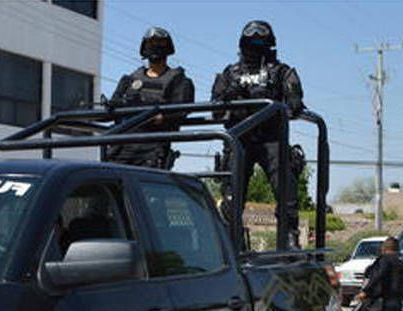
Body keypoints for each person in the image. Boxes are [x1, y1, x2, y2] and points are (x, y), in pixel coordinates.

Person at [211, 20, 305, 247]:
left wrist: (290, 99)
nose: (254, 46)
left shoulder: (282, 71)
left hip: (272, 138)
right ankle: (232, 242)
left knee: (286, 191)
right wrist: (228, 96)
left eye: (259, 41)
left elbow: (295, 103)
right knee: (232, 195)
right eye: (250, 41)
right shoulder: (229, 74)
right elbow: (216, 111)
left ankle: (288, 237)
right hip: (239, 139)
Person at [106, 27, 195, 169]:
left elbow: (180, 112)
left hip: (153, 146)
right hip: (122, 145)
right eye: (151, 43)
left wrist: (160, 117)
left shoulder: (179, 81)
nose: (155, 47)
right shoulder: (129, 80)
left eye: (160, 43)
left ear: (168, 48)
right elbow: (113, 108)